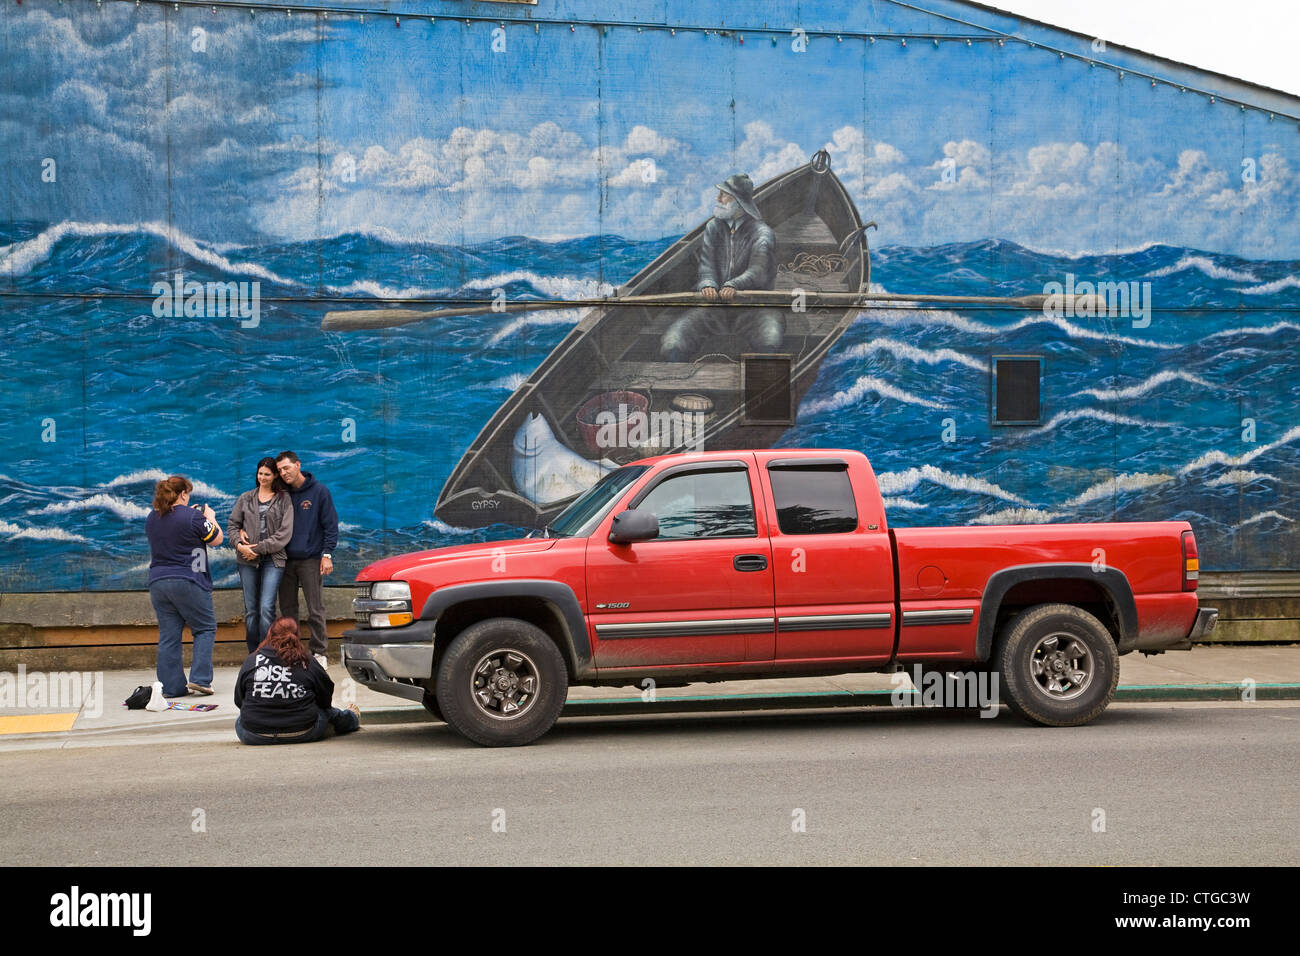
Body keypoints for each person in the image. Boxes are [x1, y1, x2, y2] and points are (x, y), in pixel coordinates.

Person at [660, 172, 786, 361]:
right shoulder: (713, 227)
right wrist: (708, 284)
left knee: (770, 339)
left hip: (754, 308)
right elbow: (706, 266)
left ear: (739, 203)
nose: (718, 198)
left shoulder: (762, 233)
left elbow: (759, 271)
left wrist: (734, 285)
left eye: (723, 195)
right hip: (715, 308)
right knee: (672, 342)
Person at [145, 475, 223, 697]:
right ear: (183, 494)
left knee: (169, 635)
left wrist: (197, 517)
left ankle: (171, 687)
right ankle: (200, 679)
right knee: (205, 628)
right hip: (189, 579)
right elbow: (216, 538)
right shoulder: (193, 516)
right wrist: (210, 517)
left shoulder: (152, 517)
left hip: (158, 582)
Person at [233, 616, 360, 745]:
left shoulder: (252, 660)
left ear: (270, 634)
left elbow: (239, 700)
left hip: (253, 733)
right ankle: (351, 717)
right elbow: (325, 698)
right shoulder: (307, 661)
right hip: (304, 730)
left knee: (240, 720)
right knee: (328, 713)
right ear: (297, 635)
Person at [275, 450, 338, 670]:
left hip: (310, 558)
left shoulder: (319, 491)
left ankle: (319, 652)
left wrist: (327, 554)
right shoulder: (281, 493)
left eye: (287, 468)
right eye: (280, 470)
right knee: (288, 609)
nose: (283, 473)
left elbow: (330, 525)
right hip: (284, 559)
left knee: (315, 608)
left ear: (298, 465)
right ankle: (292, 652)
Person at [227, 457, 294, 653]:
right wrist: (240, 546)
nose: (262, 477)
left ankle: (267, 653)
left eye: (267, 474)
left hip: (273, 560)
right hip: (246, 560)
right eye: (260, 473)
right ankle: (252, 655)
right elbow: (232, 526)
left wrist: (256, 549)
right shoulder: (246, 498)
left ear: (275, 476)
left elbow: (284, 534)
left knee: (266, 608)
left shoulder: (284, 499)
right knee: (251, 611)